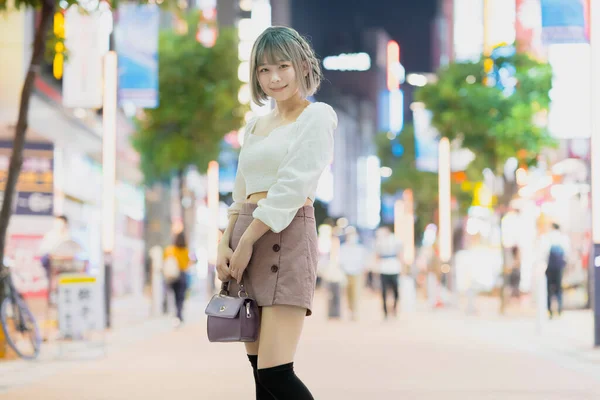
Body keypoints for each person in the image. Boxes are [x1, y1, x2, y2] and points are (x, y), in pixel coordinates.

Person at [215, 26, 336, 400]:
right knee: (259, 375)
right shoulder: (255, 125)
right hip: (245, 239)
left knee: (276, 373)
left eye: (282, 66)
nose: (274, 77)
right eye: (264, 69)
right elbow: (240, 192)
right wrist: (225, 240)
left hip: (285, 235)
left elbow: (292, 186)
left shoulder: (316, 116)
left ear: (302, 65)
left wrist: (249, 238)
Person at [540, 223, 570, 318]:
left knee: (549, 289)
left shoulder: (547, 237)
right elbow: (567, 253)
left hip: (550, 267)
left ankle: (549, 310)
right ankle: (559, 309)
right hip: (559, 267)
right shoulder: (563, 238)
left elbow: (543, 252)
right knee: (558, 288)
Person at [339, 228, 368, 321]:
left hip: (357, 273)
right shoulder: (343, 248)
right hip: (346, 273)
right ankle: (350, 309)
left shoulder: (360, 248)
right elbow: (340, 261)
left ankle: (355, 311)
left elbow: (363, 262)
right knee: (348, 293)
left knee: (356, 293)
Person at [163, 232, 191, 325]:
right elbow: (188, 263)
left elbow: (165, 260)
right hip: (182, 275)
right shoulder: (186, 251)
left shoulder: (170, 250)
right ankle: (179, 314)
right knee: (181, 297)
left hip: (173, 276)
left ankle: (177, 314)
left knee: (175, 296)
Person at [375, 226, 402, 320]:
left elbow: (400, 254)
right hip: (383, 269)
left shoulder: (396, 240)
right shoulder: (379, 241)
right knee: (384, 292)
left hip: (394, 269)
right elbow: (377, 256)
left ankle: (394, 309)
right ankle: (385, 312)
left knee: (396, 292)